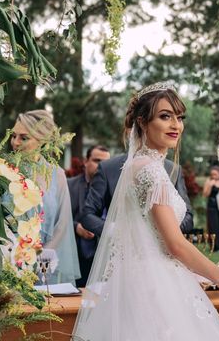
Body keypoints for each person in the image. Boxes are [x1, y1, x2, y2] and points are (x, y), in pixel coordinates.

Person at [73, 82, 219, 340]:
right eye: (165, 117)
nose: (176, 125)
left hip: (140, 281)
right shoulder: (150, 171)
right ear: (143, 123)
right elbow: (174, 244)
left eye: (179, 117)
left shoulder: (137, 166)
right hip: (155, 289)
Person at [10, 110, 80, 285]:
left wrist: (39, 268)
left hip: (44, 262)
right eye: (13, 136)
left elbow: (62, 225)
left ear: (42, 141)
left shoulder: (56, 175)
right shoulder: (2, 171)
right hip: (6, 260)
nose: (15, 142)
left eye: (24, 138)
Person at [82, 139, 194, 239]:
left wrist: (165, 232)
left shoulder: (173, 169)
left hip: (164, 253)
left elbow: (188, 217)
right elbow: (88, 214)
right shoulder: (108, 168)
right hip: (122, 252)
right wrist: (117, 232)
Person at [67, 145, 111, 287]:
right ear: (86, 161)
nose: (101, 166)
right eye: (97, 160)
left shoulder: (114, 189)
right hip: (75, 255)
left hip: (104, 257)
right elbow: (58, 216)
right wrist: (76, 227)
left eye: (105, 162)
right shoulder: (69, 185)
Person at [203, 165, 219, 251]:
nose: (213, 176)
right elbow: (205, 194)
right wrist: (210, 185)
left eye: (215, 174)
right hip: (212, 207)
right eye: (212, 174)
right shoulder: (209, 181)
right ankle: (214, 247)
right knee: (213, 227)